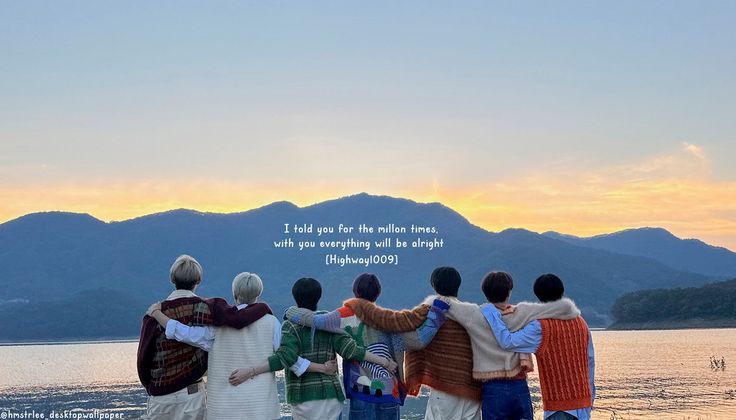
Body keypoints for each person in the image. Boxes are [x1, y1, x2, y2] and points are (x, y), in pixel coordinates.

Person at [146, 272, 336, 420]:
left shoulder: (218, 326)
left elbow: (184, 333)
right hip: (261, 408)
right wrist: (322, 368)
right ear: (258, 294)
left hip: (224, 410)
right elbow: (290, 359)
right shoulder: (271, 323)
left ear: (235, 294)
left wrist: (157, 314)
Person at [282, 272, 451, 420]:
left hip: (361, 392)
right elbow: (419, 340)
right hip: (389, 392)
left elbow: (315, 321)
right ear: (377, 294)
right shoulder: (390, 320)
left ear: (355, 292)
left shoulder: (343, 317)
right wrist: (437, 312)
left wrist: (291, 312)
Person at [229, 277, 399, 420]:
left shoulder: (290, 325)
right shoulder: (330, 322)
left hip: (304, 397)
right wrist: (384, 361)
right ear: (318, 297)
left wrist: (250, 371)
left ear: (295, 297)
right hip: (332, 396)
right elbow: (352, 350)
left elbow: (285, 358)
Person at [137, 255, 274, 420]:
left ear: (172, 278)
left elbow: (143, 359)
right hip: (192, 394)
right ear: (198, 280)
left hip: (160, 395)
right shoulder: (209, 307)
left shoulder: (154, 313)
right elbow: (239, 318)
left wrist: (152, 387)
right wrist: (263, 307)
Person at [446, 271, 582, 420]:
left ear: (485, 293)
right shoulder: (521, 315)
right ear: (509, 292)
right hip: (519, 385)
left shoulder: (477, 317)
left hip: (492, 387)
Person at [483, 273, 596, 420]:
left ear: (538, 297)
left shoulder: (541, 327)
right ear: (562, 292)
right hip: (584, 404)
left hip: (559, 407)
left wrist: (491, 313)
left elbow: (507, 342)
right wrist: (591, 395)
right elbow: (590, 361)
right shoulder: (581, 322)